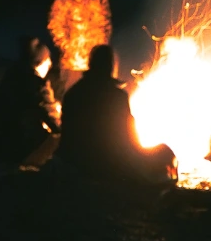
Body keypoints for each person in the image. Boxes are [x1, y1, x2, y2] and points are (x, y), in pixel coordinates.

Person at [56, 44, 177, 187]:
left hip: (72, 162)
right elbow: (128, 139)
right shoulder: (117, 97)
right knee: (164, 152)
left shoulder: (73, 93)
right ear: (111, 67)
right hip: (107, 165)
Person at [0, 36, 61, 166]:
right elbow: (49, 118)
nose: (50, 65)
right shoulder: (36, 84)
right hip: (13, 151)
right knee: (59, 140)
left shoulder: (12, 74)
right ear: (40, 62)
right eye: (49, 61)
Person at [48, 0, 112, 95]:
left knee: (95, 97)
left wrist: (101, 49)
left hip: (94, 62)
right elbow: (55, 27)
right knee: (72, 96)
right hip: (72, 63)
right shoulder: (62, 1)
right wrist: (68, 47)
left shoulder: (100, 0)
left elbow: (106, 25)